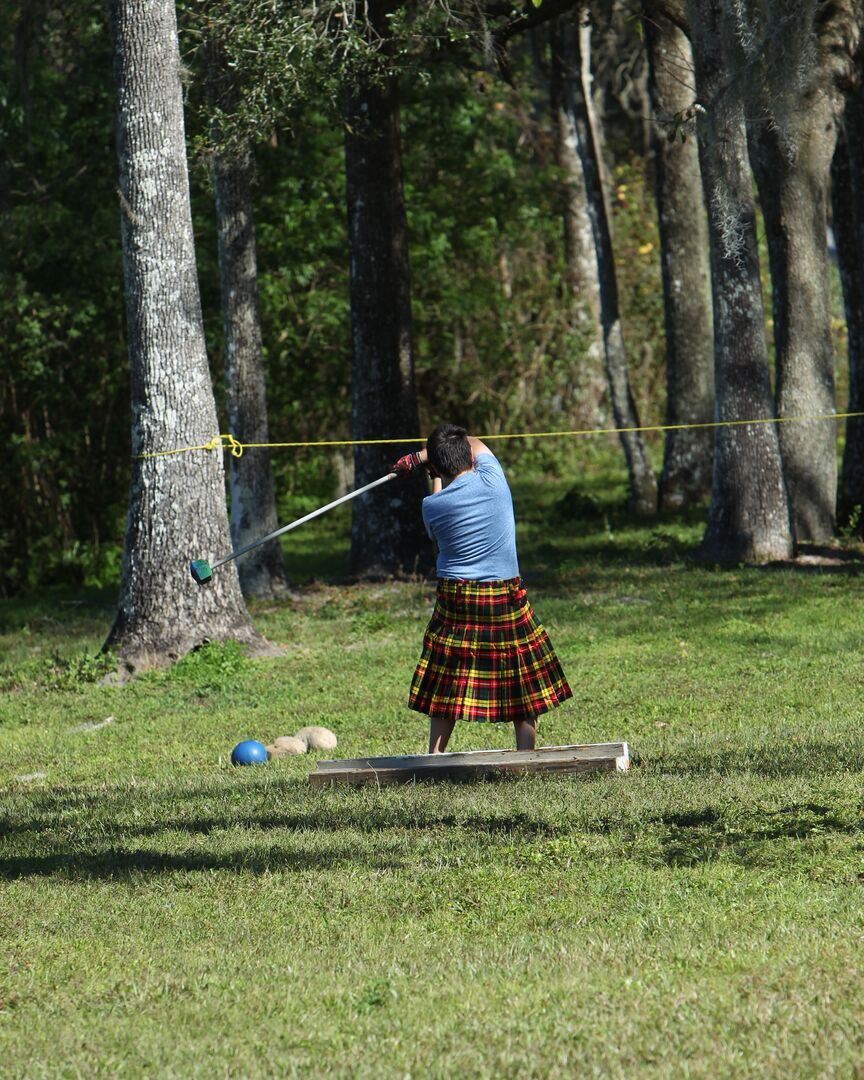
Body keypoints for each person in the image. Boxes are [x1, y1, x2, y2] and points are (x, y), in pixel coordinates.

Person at [392, 423, 572, 754]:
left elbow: (438, 505)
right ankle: (525, 752)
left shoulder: (432, 507)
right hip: (504, 593)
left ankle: (435, 754)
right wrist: (422, 456)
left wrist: (425, 466)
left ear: (437, 467)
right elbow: (475, 443)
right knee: (519, 668)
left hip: (456, 596)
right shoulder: (494, 480)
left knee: (448, 671)